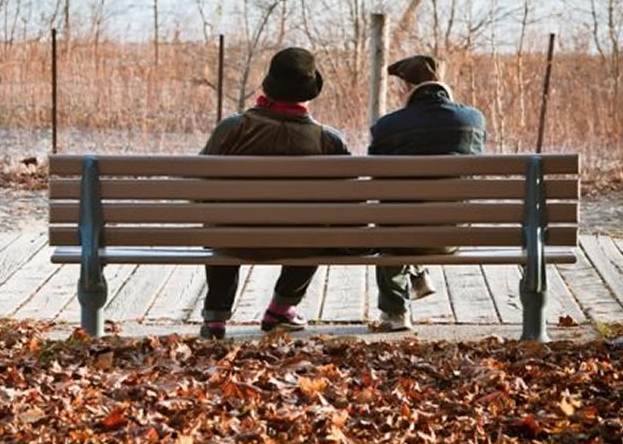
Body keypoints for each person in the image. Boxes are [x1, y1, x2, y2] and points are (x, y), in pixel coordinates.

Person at [198, 46, 350, 340]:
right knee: (320, 230)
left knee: (221, 221)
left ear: (269, 85)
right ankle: (281, 308)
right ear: (308, 93)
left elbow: (198, 182)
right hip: (300, 244)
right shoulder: (328, 140)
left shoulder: (233, 128)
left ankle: (215, 318)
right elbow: (348, 203)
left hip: (234, 239)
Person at [368, 54, 486, 331]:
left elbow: (376, 178)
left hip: (399, 237)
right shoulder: (473, 120)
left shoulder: (386, 126)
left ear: (406, 88)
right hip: (453, 233)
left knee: (394, 218)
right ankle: (418, 272)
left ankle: (396, 312)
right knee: (418, 214)